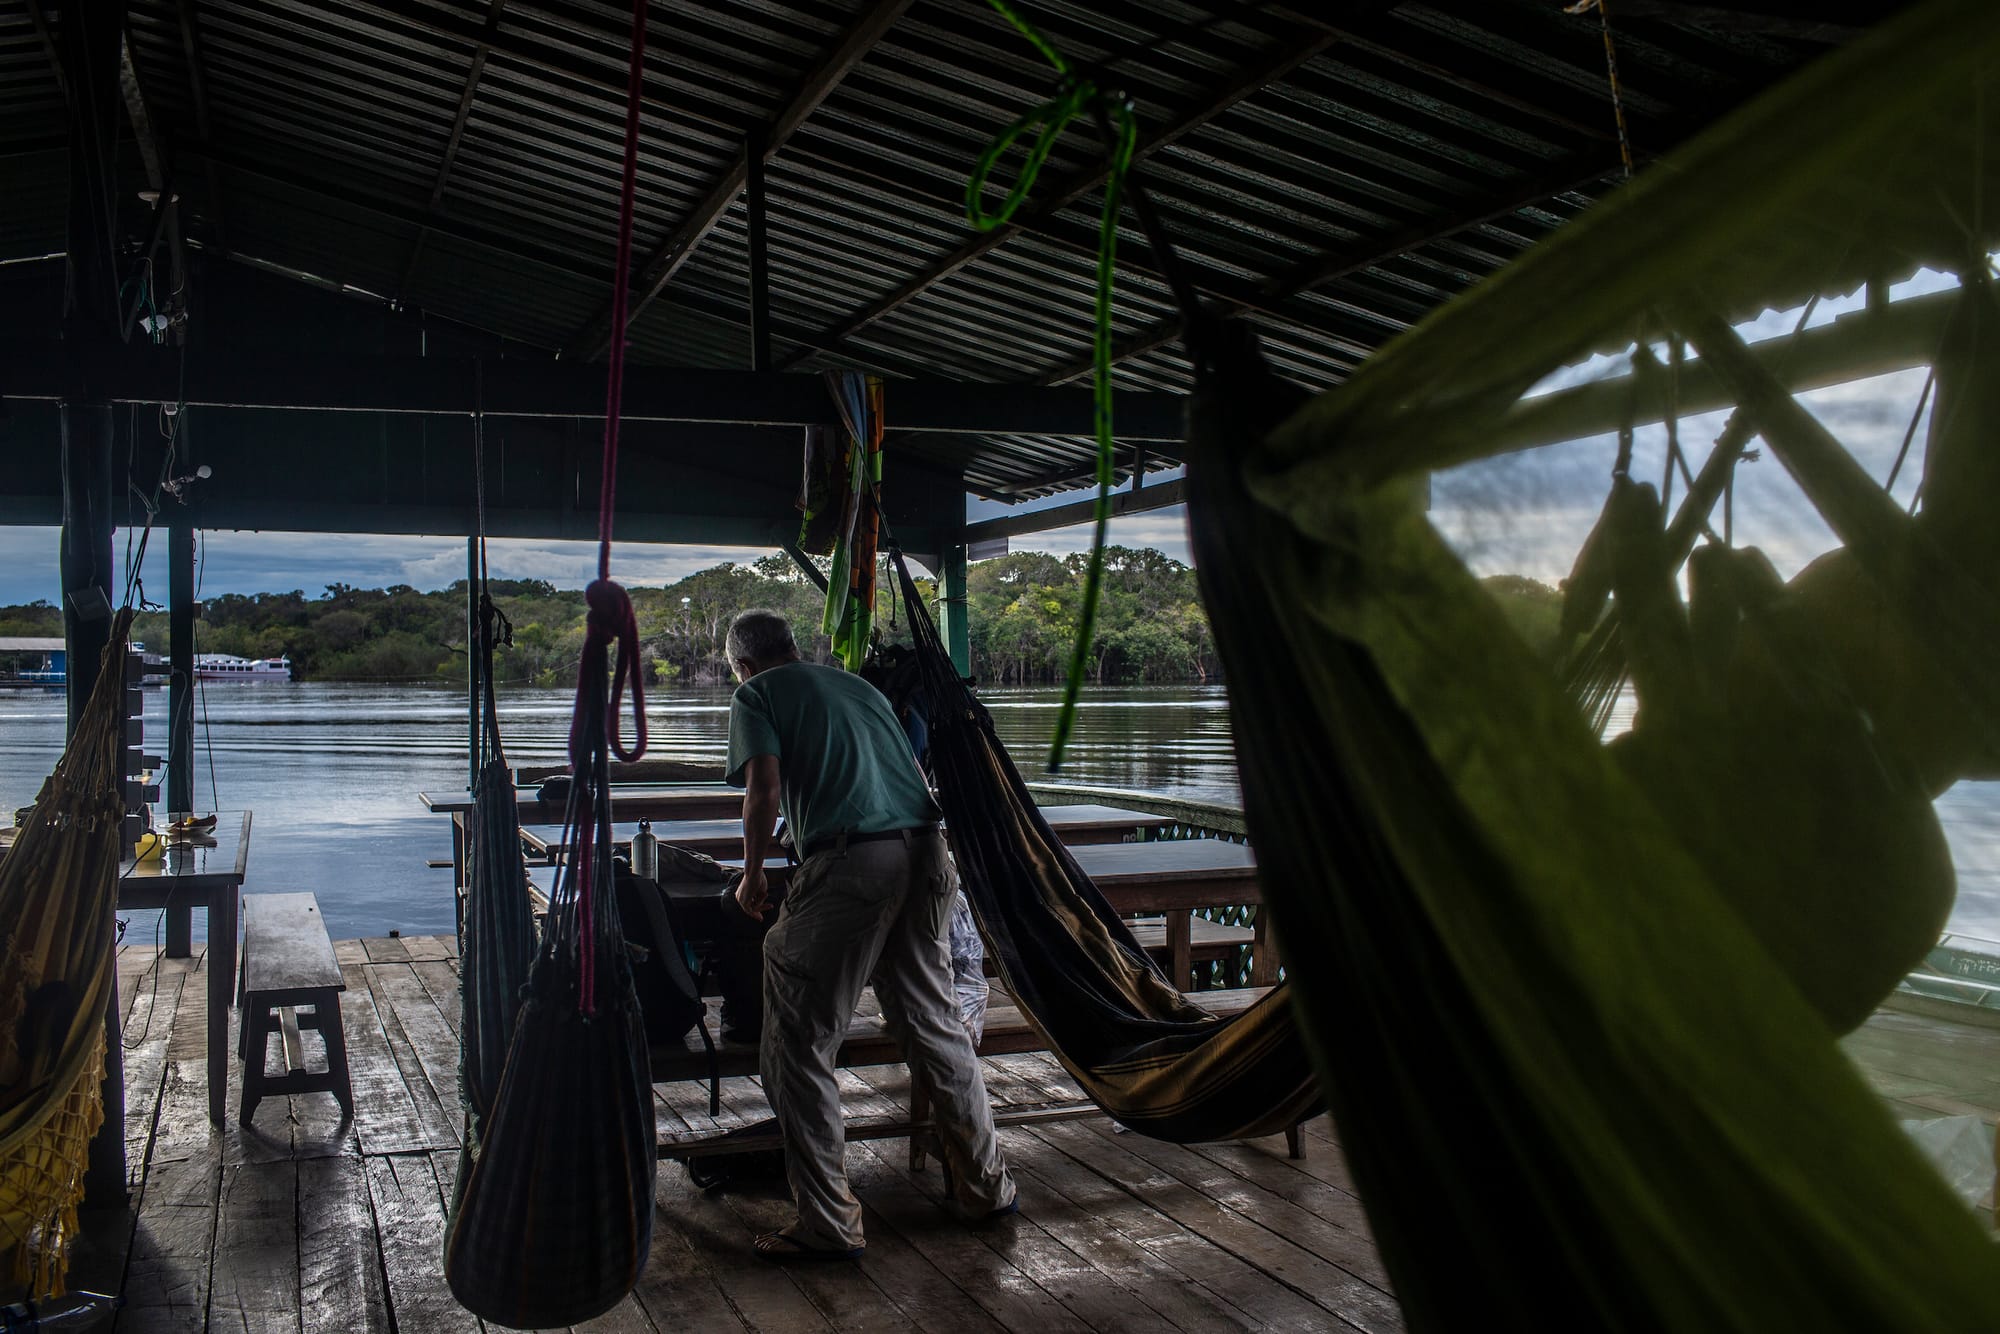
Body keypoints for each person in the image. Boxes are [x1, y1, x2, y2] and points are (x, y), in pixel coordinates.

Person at [723, 609, 1017, 1260]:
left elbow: (763, 790)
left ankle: (828, 1224)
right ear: (795, 646)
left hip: (852, 864)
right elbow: (911, 768)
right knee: (936, 1028)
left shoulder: (755, 694)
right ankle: (986, 1188)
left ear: (740, 664)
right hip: (928, 855)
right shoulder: (857, 688)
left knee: (797, 1046)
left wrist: (750, 878)